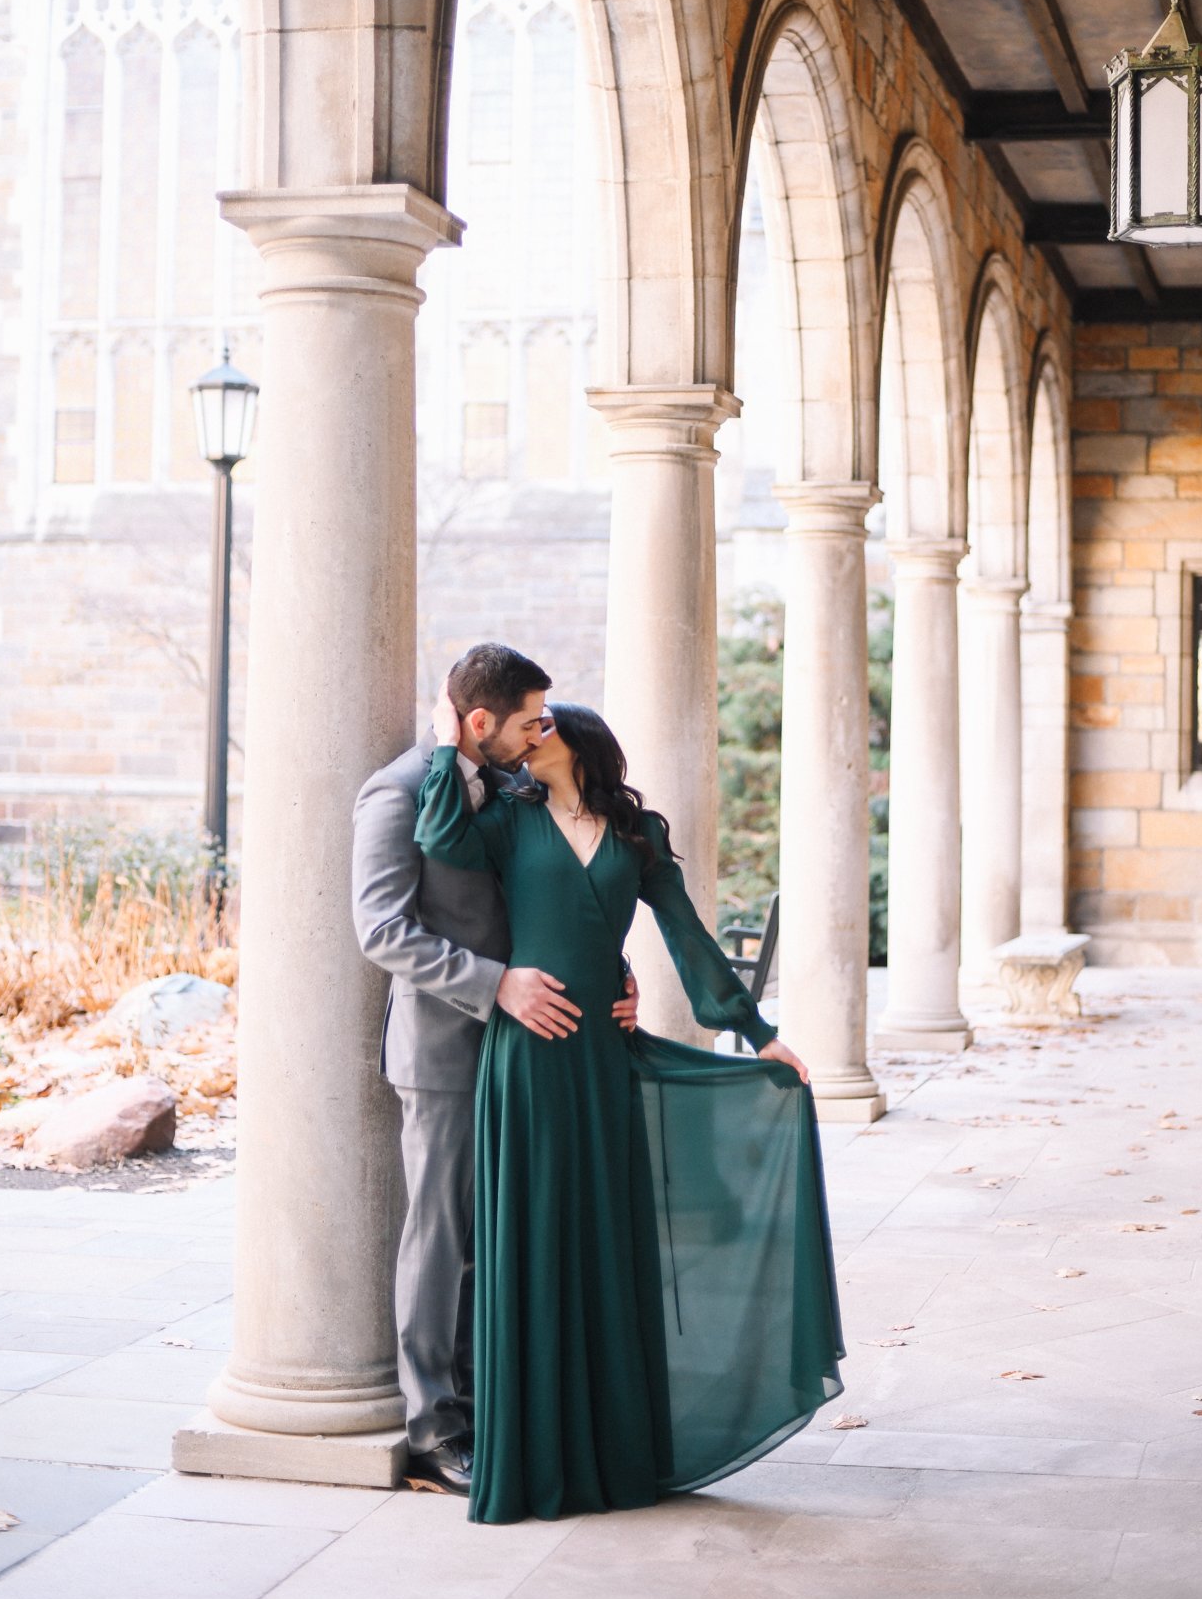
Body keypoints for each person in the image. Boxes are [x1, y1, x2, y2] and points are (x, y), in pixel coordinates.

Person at [416, 688, 845, 1526]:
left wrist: (757, 1032)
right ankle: (533, 1454)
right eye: (526, 723)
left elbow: (685, 933)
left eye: (543, 726)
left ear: (578, 744)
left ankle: (613, 1454)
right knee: (532, 1241)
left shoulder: (638, 837)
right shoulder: (506, 819)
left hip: (601, 1059)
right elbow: (438, 836)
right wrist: (445, 746)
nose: (530, 735)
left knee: (605, 1241)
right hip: (527, 1059)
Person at [351, 643, 639, 1498]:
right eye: (526, 722)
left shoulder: (516, 786)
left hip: (539, 1051)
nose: (538, 733)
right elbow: (382, 932)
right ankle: (437, 1430)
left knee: (505, 1238)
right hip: (444, 1053)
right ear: (479, 723)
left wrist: (612, 973)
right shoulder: (396, 792)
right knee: (444, 1240)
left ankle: (497, 1403)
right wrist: (493, 985)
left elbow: (550, 888)